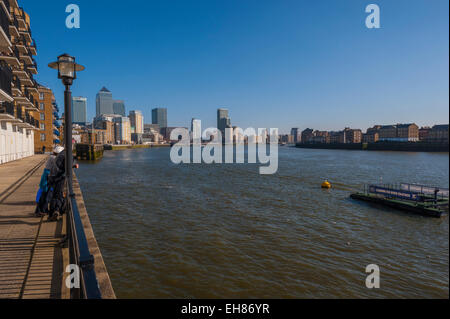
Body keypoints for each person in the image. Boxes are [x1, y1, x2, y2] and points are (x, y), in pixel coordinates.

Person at [46, 150, 79, 221]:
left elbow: (63, 165)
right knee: (58, 195)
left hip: (52, 176)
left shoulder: (61, 154)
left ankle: (54, 212)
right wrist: (74, 166)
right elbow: (67, 167)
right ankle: (56, 211)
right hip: (58, 177)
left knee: (55, 195)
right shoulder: (68, 155)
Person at [34, 146, 64, 217]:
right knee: (45, 194)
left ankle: (42, 210)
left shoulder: (52, 157)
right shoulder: (54, 158)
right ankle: (41, 211)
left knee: (45, 194)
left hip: (47, 175)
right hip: (48, 176)